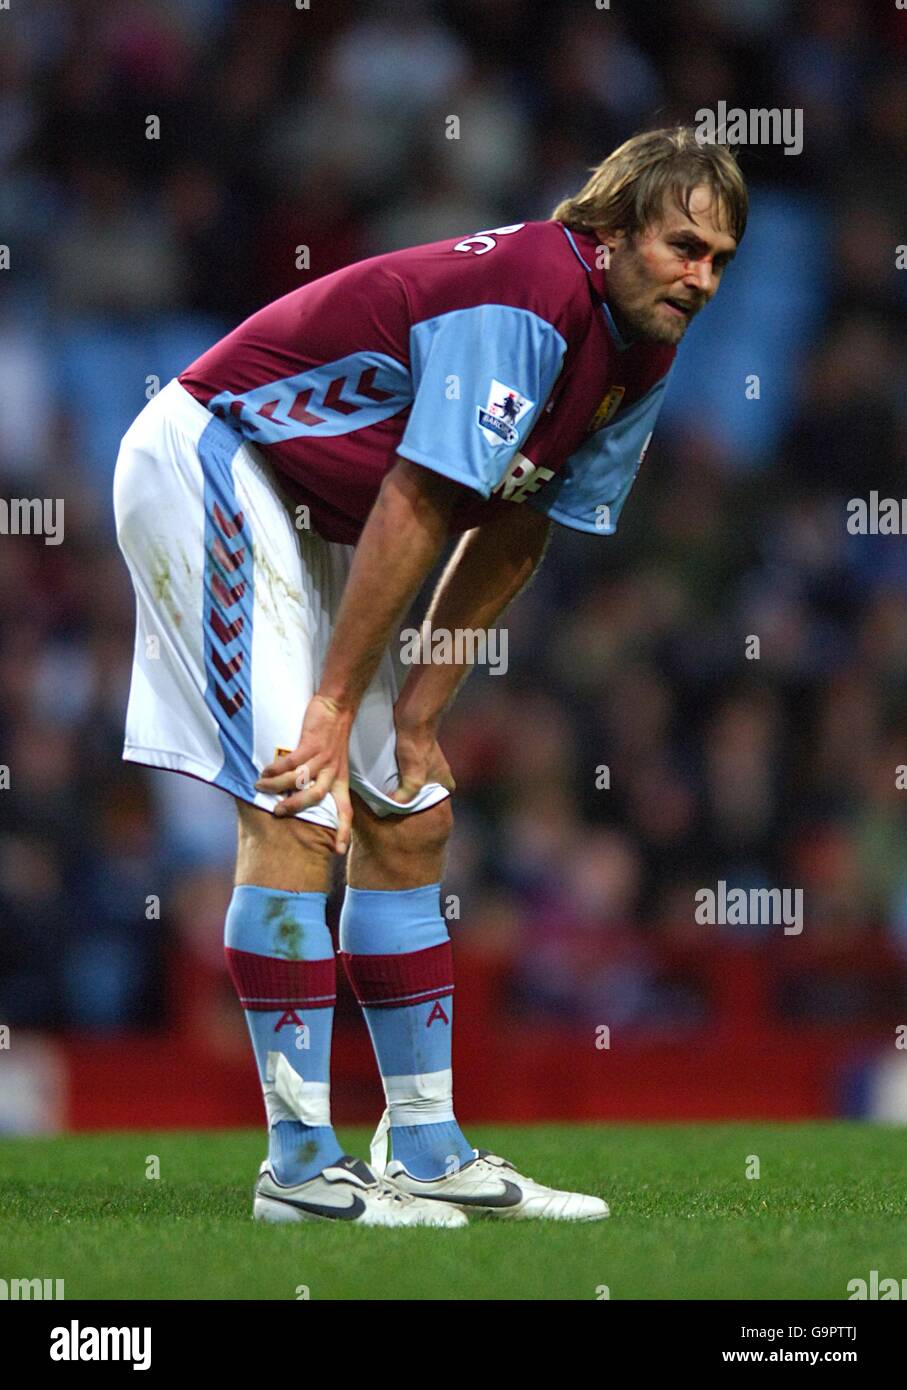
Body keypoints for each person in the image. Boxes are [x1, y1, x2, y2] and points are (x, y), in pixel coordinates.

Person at [113, 125, 745, 1226]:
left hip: (321, 516)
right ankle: (299, 1169)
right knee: (297, 795)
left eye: (720, 260)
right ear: (606, 233)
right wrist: (330, 705)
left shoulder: (643, 345)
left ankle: (423, 1144)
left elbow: (513, 523)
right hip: (218, 457)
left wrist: (417, 715)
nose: (701, 279)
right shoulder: (531, 292)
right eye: (683, 246)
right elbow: (419, 496)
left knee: (408, 814)